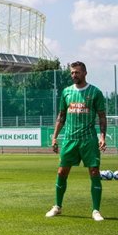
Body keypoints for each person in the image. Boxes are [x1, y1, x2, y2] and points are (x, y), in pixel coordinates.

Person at [45, 61, 108, 222]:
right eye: (72, 72)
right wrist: (54, 137)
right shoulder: (66, 92)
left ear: (85, 73)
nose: (74, 75)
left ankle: (96, 210)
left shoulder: (95, 92)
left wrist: (102, 136)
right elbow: (61, 116)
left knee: (94, 172)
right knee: (62, 172)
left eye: (77, 72)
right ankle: (57, 206)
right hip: (69, 139)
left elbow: (102, 117)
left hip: (88, 139)